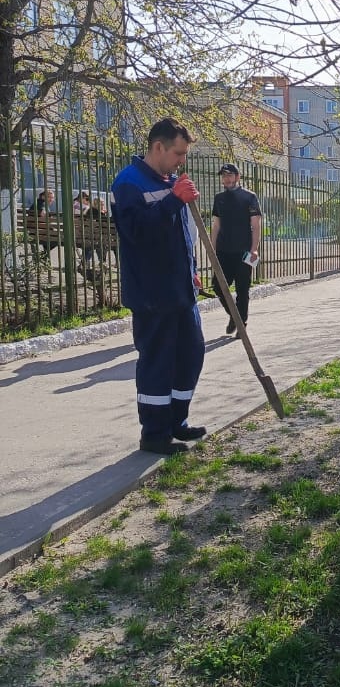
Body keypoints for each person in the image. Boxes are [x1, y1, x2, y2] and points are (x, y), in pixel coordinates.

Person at [111, 118, 206, 455]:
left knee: (190, 356)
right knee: (157, 363)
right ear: (158, 147)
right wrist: (173, 201)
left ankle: (176, 422)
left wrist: (192, 270)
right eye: (178, 153)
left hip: (181, 290)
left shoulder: (170, 180)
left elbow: (179, 236)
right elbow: (136, 234)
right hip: (153, 294)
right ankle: (154, 435)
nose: (182, 160)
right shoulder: (129, 184)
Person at [211, 163, 262, 335]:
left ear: (237, 177)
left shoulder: (249, 197)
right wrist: (212, 249)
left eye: (230, 175)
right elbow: (216, 225)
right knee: (218, 286)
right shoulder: (219, 198)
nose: (226, 179)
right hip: (223, 251)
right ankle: (235, 317)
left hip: (243, 251)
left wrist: (254, 249)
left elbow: (256, 225)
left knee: (242, 289)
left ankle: (242, 323)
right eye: (224, 176)